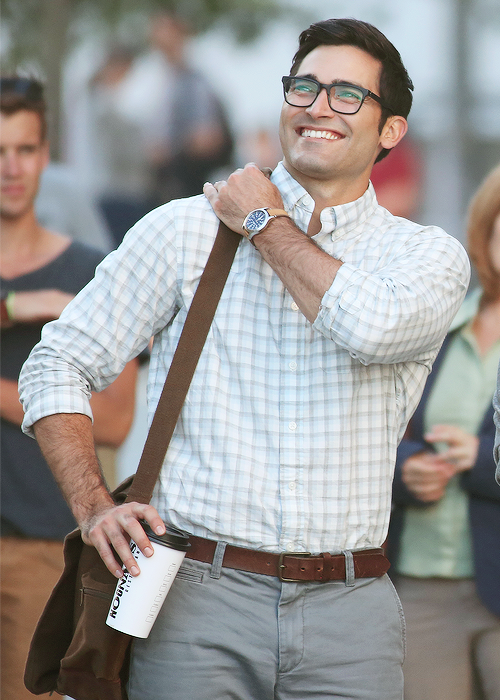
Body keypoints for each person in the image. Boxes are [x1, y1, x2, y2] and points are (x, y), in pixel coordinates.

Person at [19, 19, 470, 700]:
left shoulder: (425, 256)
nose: (318, 105)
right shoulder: (183, 230)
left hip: (351, 610)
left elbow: (370, 328)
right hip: (195, 597)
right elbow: (56, 363)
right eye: (305, 86)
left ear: (391, 132)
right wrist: (93, 507)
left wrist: (266, 224)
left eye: (348, 94)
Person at [0, 76, 138, 700]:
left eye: (24, 150)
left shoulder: (90, 272)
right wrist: (15, 306)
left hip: (38, 546)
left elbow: (113, 422)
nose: (11, 169)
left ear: (45, 154)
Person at [388, 163, 500, 700]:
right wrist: (405, 469)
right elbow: (367, 435)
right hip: (421, 587)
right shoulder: (438, 330)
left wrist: (482, 458)